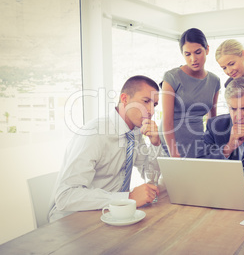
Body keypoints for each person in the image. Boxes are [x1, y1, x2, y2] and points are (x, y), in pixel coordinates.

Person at [49, 75, 164, 222]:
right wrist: (127, 197)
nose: (151, 111)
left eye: (154, 105)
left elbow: (149, 175)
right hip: (72, 218)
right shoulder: (94, 133)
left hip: (110, 214)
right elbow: (65, 196)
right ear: (124, 99)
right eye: (146, 101)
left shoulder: (135, 132)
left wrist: (155, 144)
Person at [159, 28, 221, 158]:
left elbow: (212, 120)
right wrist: (174, 154)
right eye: (187, 54)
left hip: (198, 139)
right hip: (172, 140)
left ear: (207, 49)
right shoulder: (172, 77)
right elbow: (167, 121)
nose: (193, 59)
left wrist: (214, 145)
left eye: (198, 52)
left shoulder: (214, 81)